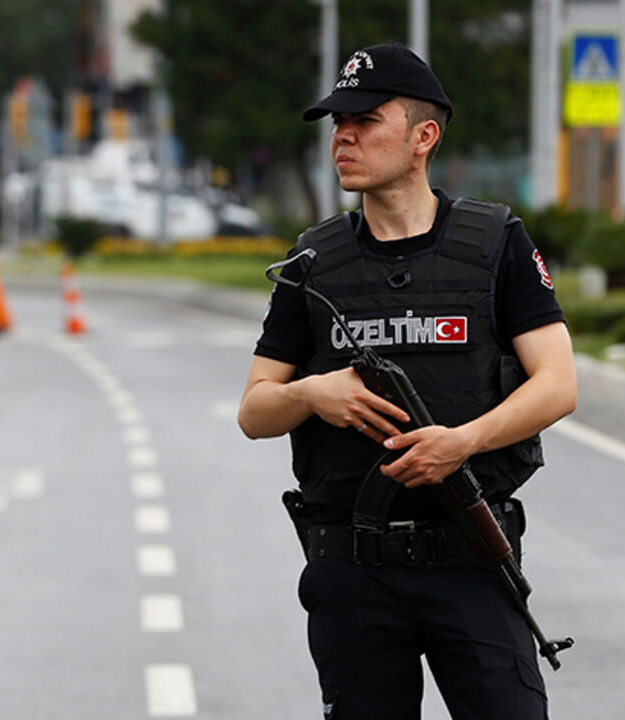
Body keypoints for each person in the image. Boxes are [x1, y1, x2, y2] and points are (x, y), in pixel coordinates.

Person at [237, 42, 576, 719]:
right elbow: (255, 410)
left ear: (424, 136)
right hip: (352, 568)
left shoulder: (494, 241)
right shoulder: (312, 260)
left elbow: (558, 384)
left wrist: (465, 442)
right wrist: (311, 394)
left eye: (366, 119)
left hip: (470, 554)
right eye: (338, 123)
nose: (345, 135)